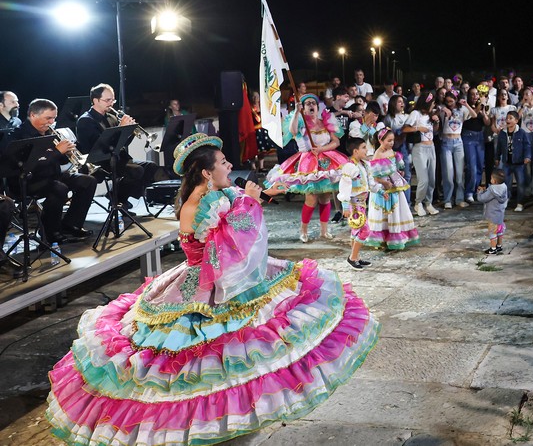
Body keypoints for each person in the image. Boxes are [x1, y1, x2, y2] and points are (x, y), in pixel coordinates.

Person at [45, 133, 380, 445]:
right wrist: (249, 205)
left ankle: (240, 414)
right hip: (206, 283)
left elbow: (237, 226)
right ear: (206, 173)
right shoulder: (194, 207)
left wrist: (256, 196)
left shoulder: (216, 194)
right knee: (207, 354)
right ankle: (211, 421)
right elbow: (224, 250)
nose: (229, 165)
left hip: (226, 274)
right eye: (222, 162)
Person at [1, 99, 97, 244]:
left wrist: (68, 152)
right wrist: (57, 151)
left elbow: (61, 161)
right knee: (59, 188)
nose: (52, 122)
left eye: (54, 118)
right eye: (48, 118)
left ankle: (71, 224)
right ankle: (50, 232)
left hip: (52, 176)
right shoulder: (18, 136)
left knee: (87, 181)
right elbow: (29, 165)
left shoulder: (50, 133)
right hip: (27, 181)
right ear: (33, 115)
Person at [264, 94, 348, 242]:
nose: (311, 106)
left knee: (325, 197)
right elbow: (294, 131)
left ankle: (324, 230)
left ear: (317, 106)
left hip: (325, 161)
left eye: (313, 103)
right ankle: (303, 230)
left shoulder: (326, 122)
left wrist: (322, 149)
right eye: (307, 103)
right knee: (311, 198)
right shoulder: (300, 123)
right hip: (307, 163)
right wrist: (297, 112)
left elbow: (336, 142)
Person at [76, 83, 158, 209]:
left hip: (117, 157)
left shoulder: (111, 117)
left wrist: (129, 131)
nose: (111, 103)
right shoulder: (86, 120)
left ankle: (118, 197)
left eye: (112, 99)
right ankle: (118, 199)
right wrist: (121, 129)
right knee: (136, 170)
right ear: (95, 100)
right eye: (107, 100)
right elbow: (102, 146)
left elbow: (121, 145)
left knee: (150, 166)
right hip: (101, 161)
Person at [365, 128, 419, 251]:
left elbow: (394, 165)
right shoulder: (377, 154)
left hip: (394, 184)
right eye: (389, 141)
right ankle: (383, 238)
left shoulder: (391, 151)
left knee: (395, 210)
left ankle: (395, 235)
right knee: (384, 212)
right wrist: (384, 182)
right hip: (383, 187)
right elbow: (373, 176)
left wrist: (399, 171)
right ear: (380, 140)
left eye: (392, 140)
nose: (391, 143)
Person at [338, 136, 375, 268]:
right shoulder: (350, 166)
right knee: (364, 230)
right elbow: (345, 186)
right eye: (364, 147)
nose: (366, 150)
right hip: (354, 204)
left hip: (362, 203)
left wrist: (380, 191)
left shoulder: (364, 165)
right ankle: (352, 257)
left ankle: (356, 257)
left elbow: (369, 183)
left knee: (356, 229)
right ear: (355, 151)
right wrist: (345, 206)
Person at [404, 93, 439, 217]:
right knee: (423, 179)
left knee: (432, 178)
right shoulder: (415, 114)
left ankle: (428, 202)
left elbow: (433, 130)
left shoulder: (430, 115)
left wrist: (436, 122)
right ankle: (418, 203)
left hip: (431, 147)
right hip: (419, 148)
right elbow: (405, 128)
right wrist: (418, 128)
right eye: (432, 103)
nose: (433, 105)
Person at [496, 110, 531, 212]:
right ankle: (506, 200)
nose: (508, 120)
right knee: (506, 183)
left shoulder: (522, 133)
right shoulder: (502, 133)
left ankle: (520, 203)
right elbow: (499, 147)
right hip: (507, 162)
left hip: (519, 163)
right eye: (507, 118)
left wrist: (527, 156)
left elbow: (527, 146)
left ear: (516, 120)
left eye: (510, 118)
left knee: (520, 183)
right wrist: (497, 158)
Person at [438, 92, 468, 209]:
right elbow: (436, 108)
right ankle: (447, 199)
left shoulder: (462, 110)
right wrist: (443, 107)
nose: (449, 103)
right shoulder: (443, 109)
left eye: (451, 101)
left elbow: (474, 114)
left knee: (460, 173)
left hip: (458, 142)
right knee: (448, 174)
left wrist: (465, 104)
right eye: (447, 101)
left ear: (456, 100)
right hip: (446, 142)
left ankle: (459, 198)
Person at [461, 86, 490, 203]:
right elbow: (472, 115)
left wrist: (484, 113)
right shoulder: (466, 106)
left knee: (479, 166)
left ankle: (474, 191)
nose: (475, 96)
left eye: (477, 94)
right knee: (471, 166)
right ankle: (468, 191)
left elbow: (487, 123)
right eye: (472, 94)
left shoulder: (481, 106)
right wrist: (479, 107)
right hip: (468, 137)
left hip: (480, 137)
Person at [478, 168, 508, 254]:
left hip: (492, 215)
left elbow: (482, 199)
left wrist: (480, 192)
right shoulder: (504, 187)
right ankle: (499, 246)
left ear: (494, 181)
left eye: (491, 178)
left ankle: (493, 248)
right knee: (500, 230)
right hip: (500, 214)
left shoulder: (492, 189)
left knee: (492, 232)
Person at [249, 91, 278, 172]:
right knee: (254, 149)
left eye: (257, 97)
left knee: (262, 150)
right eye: (254, 97)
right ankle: (253, 166)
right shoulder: (249, 108)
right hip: (253, 131)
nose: (255, 98)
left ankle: (261, 166)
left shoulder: (262, 106)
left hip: (262, 130)